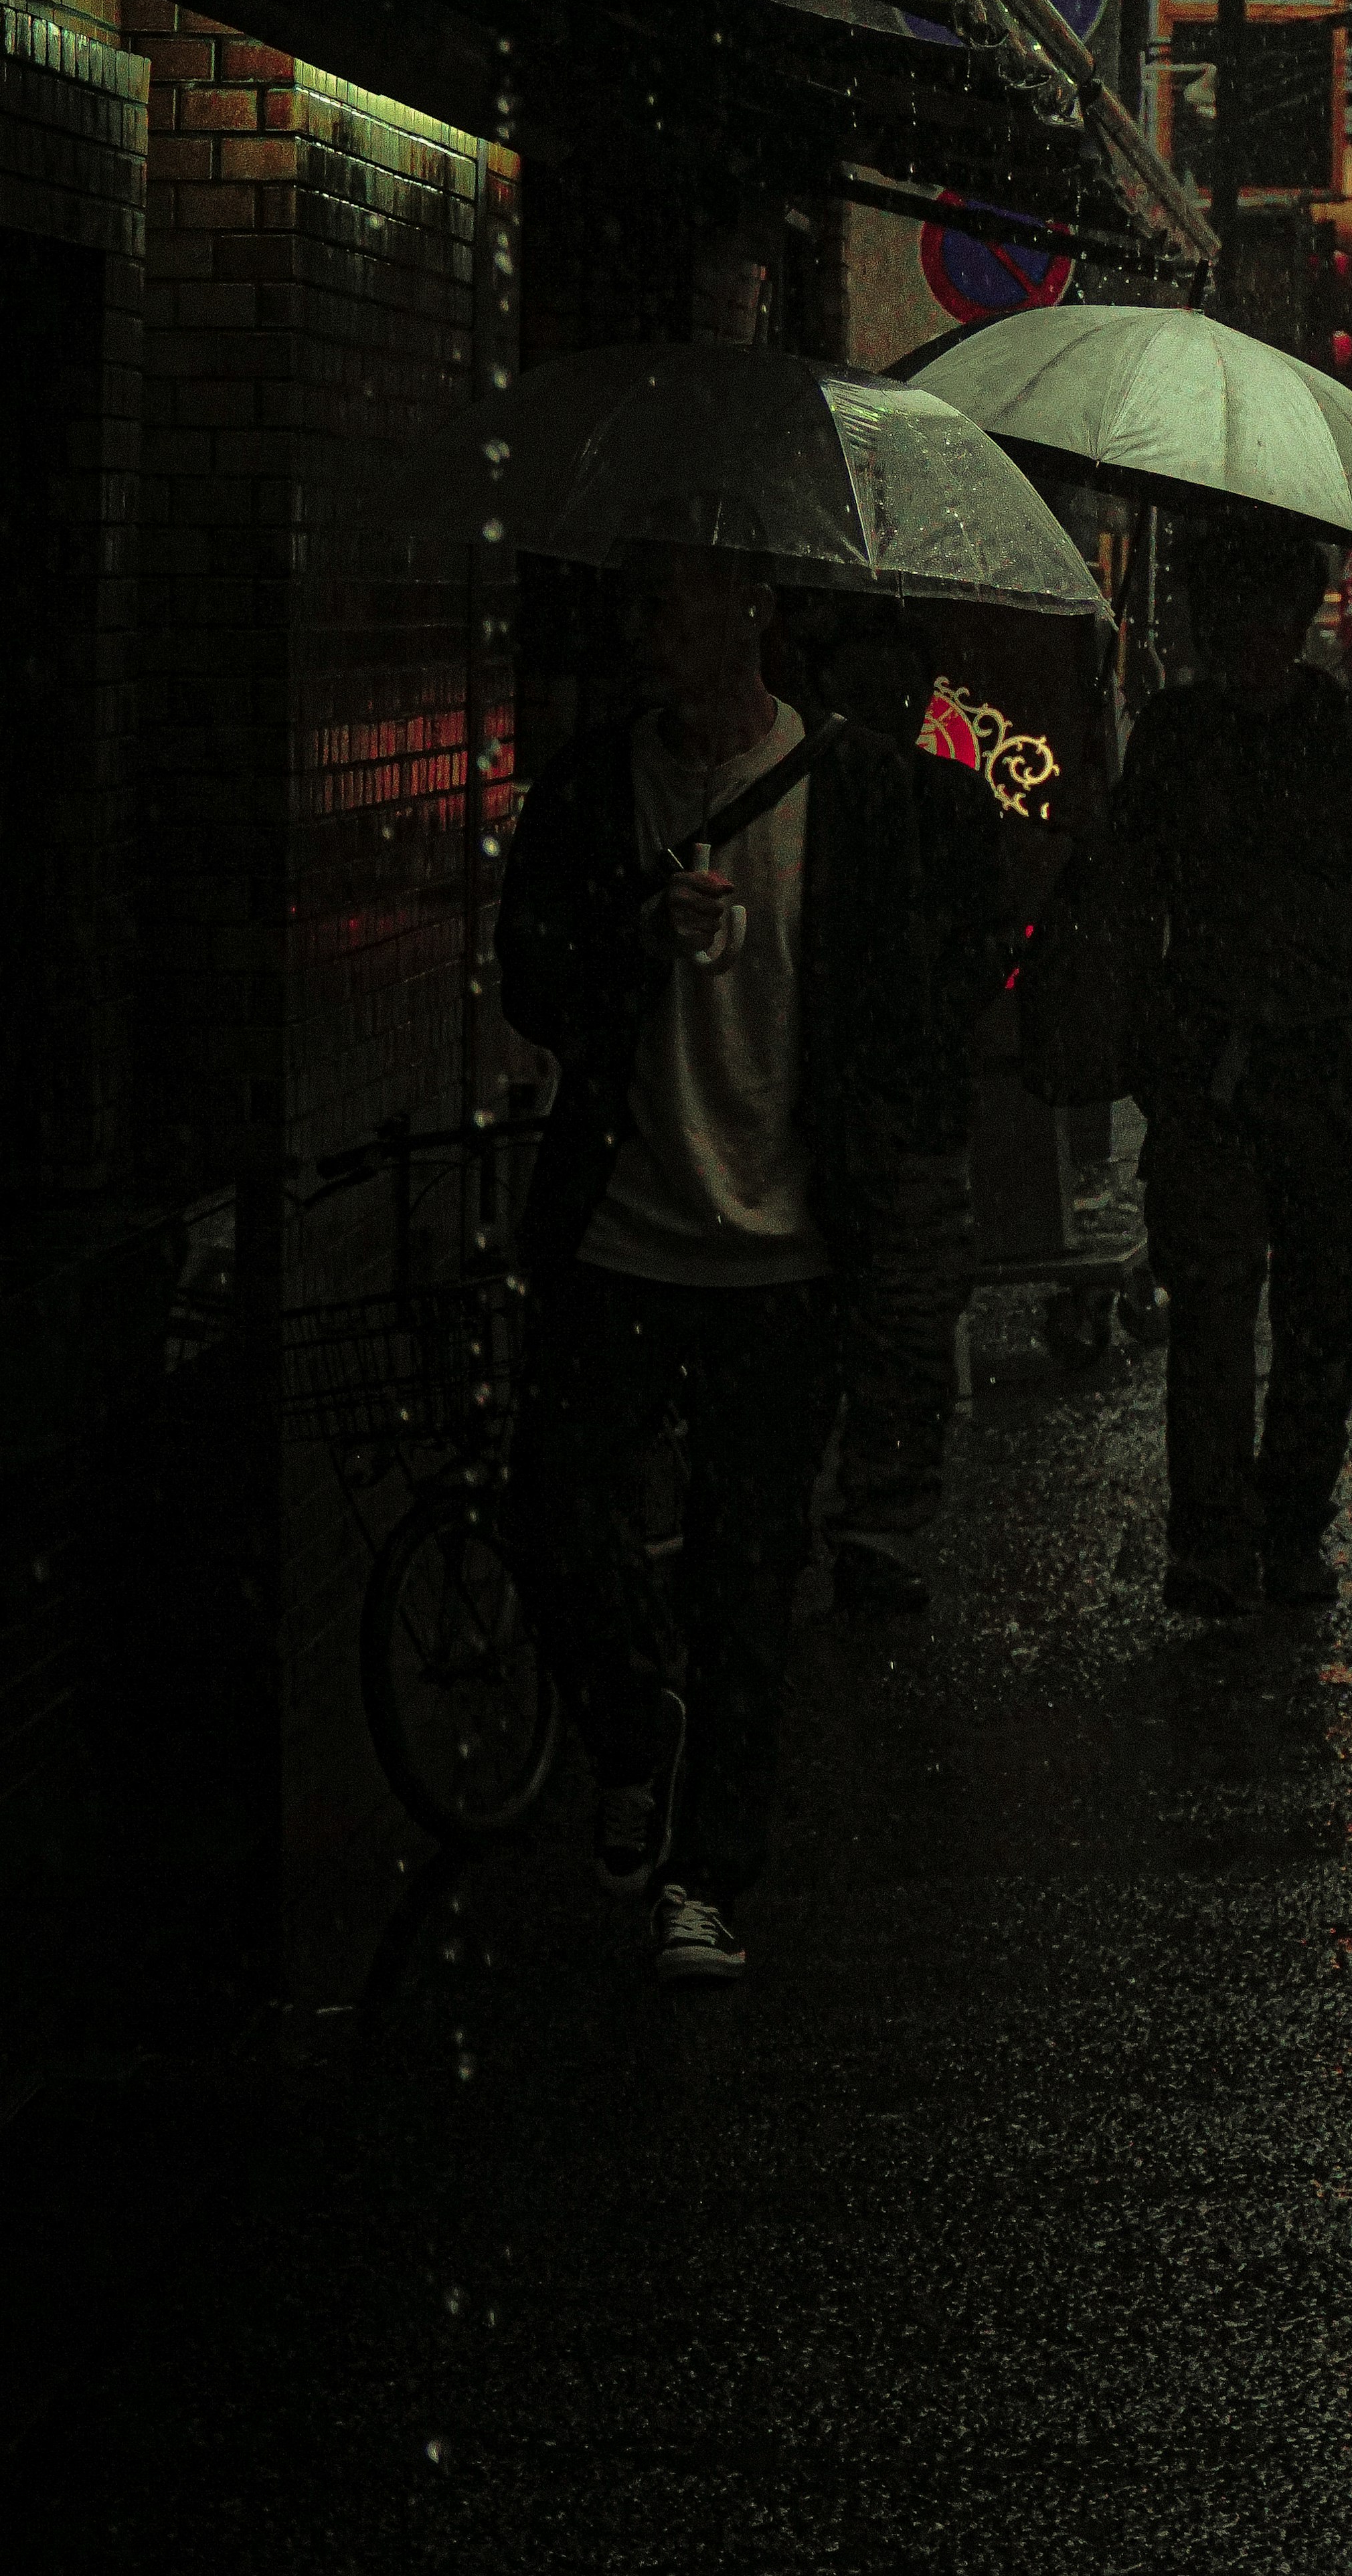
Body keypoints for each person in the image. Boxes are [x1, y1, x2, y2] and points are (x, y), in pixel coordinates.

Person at [497, 543, 930, 1987]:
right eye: (637, 597)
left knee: (749, 1576)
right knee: (555, 1513)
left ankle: (707, 1876)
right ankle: (633, 1727)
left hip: (785, 1251)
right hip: (620, 1232)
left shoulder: (853, 788)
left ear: (751, 611)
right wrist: (631, 937)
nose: (648, 623)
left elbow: (898, 1003)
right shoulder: (591, 786)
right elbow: (534, 980)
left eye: (671, 594)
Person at [1112, 513, 1352, 1619]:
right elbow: (1124, 902)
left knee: (1335, 1310)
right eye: (1234, 614)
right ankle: (1213, 1543)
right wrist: (1146, 1043)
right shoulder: (1174, 737)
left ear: (1304, 618)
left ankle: (1288, 1518)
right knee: (1216, 1321)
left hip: (1330, 1082)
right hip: (1212, 1080)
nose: (1255, 635)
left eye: (1275, 612)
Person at [776, 590, 1021, 1617]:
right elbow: (989, 943)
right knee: (882, 1317)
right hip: (857, 1105)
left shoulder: (922, 804)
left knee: (884, 1317)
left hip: (869, 1102)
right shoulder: (804, 798)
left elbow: (985, 942)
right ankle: (860, 1522)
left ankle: (856, 1523)